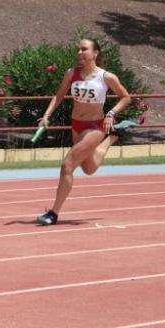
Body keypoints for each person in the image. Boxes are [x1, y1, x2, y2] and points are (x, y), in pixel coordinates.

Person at [34, 38, 132, 226]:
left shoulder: (106, 77)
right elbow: (59, 95)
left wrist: (111, 113)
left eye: (84, 49)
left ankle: (53, 213)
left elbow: (125, 97)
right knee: (88, 168)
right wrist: (46, 115)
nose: (79, 52)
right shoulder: (72, 73)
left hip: (95, 127)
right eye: (78, 49)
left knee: (67, 165)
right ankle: (113, 138)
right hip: (76, 125)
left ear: (95, 53)